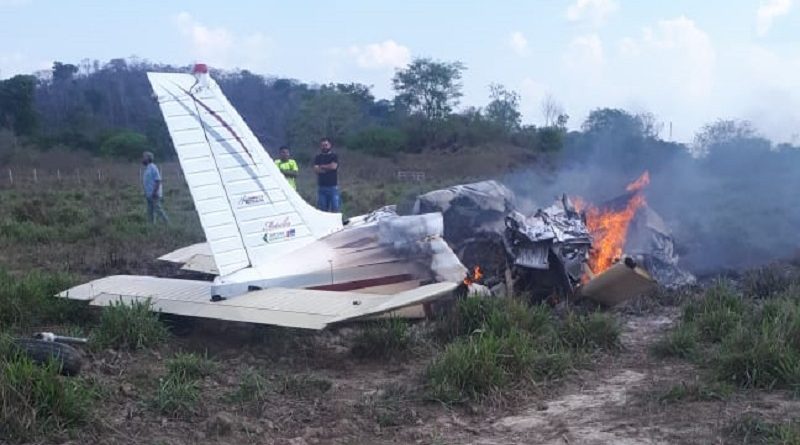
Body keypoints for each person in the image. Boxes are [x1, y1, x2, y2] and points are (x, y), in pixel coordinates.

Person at [313, 137, 340, 212]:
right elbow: (316, 169)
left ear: (330, 145)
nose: (324, 147)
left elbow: (333, 166)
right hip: (322, 187)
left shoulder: (334, 156)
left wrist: (322, 166)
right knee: (323, 210)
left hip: (333, 187)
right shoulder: (318, 157)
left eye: (326, 145)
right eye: (322, 145)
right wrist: (328, 167)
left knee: (335, 208)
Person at [141, 151, 169, 224]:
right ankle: (152, 226)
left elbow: (158, 180)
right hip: (149, 194)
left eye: (144, 157)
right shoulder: (147, 168)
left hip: (154, 194)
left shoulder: (153, 167)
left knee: (158, 210)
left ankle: (167, 224)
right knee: (150, 212)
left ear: (148, 158)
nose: (143, 159)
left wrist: (154, 192)